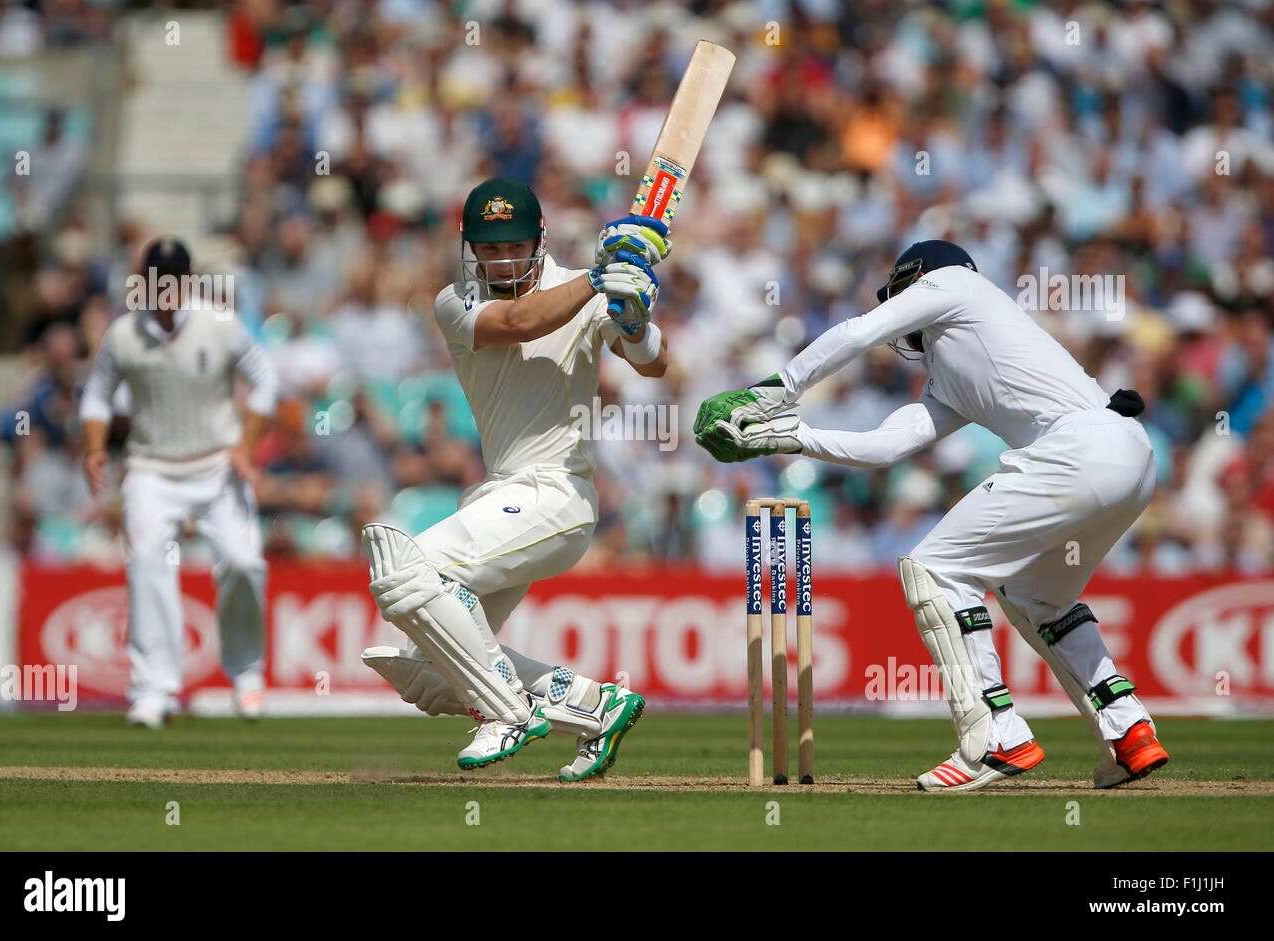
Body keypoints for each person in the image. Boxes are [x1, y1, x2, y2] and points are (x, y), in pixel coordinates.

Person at [695, 240, 1170, 792]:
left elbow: (857, 332)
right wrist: (791, 436)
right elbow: (886, 447)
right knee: (1039, 598)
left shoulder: (956, 285)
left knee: (934, 568)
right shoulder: (952, 374)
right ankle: (1128, 729)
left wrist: (774, 393)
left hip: (1077, 451)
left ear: (916, 279)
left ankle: (995, 735)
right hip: (1130, 457)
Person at [360, 177, 669, 780]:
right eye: (489, 247)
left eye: (514, 245)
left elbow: (655, 365)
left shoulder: (584, 287)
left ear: (539, 240)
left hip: (558, 494)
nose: (502, 258)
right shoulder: (455, 302)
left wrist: (634, 323)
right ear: (469, 248)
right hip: (504, 492)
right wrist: (600, 277)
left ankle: (508, 713)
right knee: (433, 668)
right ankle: (593, 705)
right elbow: (522, 322)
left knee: (408, 568)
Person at [79, 236, 277, 728]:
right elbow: (97, 398)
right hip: (150, 469)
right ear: (144, 283)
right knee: (147, 563)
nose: (165, 289)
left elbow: (266, 380)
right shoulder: (124, 335)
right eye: (156, 280)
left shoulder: (221, 324)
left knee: (243, 562)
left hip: (218, 466)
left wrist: (245, 448)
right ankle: (153, 690)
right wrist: (96, 448)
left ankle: (247, 675)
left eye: (175, 280)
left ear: (189, 282)